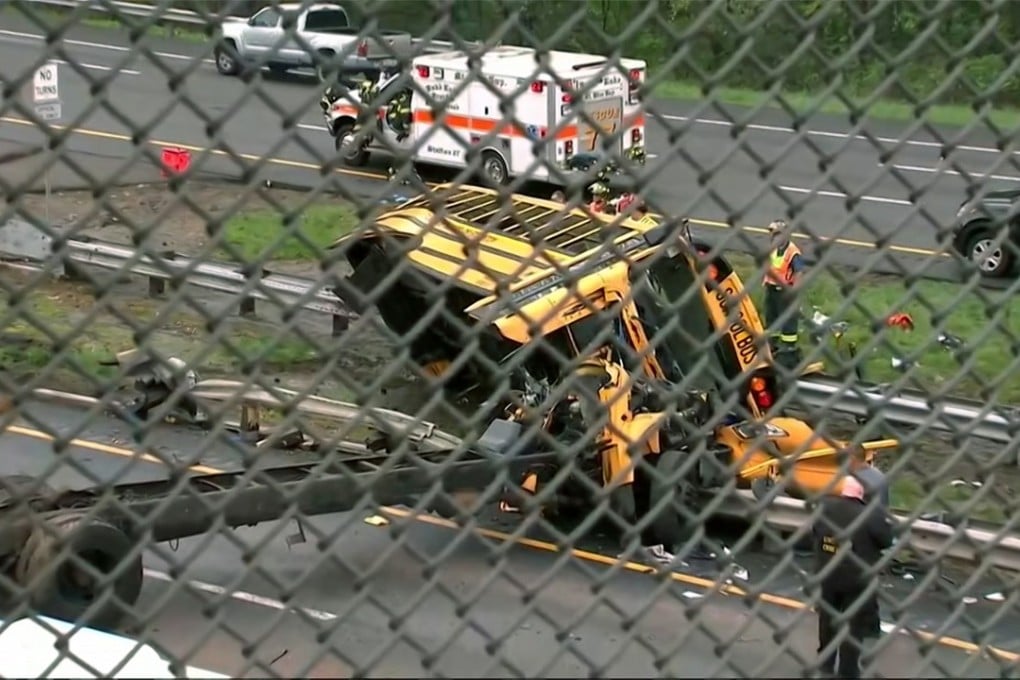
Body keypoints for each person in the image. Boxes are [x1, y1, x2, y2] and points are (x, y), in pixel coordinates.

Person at [812, 463, 895, 679]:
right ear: (862, 493)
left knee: (827, 621)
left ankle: (825, 665)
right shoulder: (870, 515)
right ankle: (848, 670)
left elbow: (816, 531)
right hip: (857, 579)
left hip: (828, 574)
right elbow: (886, 540)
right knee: (853, 626)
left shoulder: (825, 508)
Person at [762, 219, 806, 368]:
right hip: (771, 289)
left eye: (777, 234)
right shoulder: (773, 248)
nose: (774, 236)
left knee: (788, 321)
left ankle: (788, 349)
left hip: (785, 292)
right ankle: (772, 345)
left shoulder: (792, 252)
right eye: (773, 234)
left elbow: (799, 272)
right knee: (771, 317)